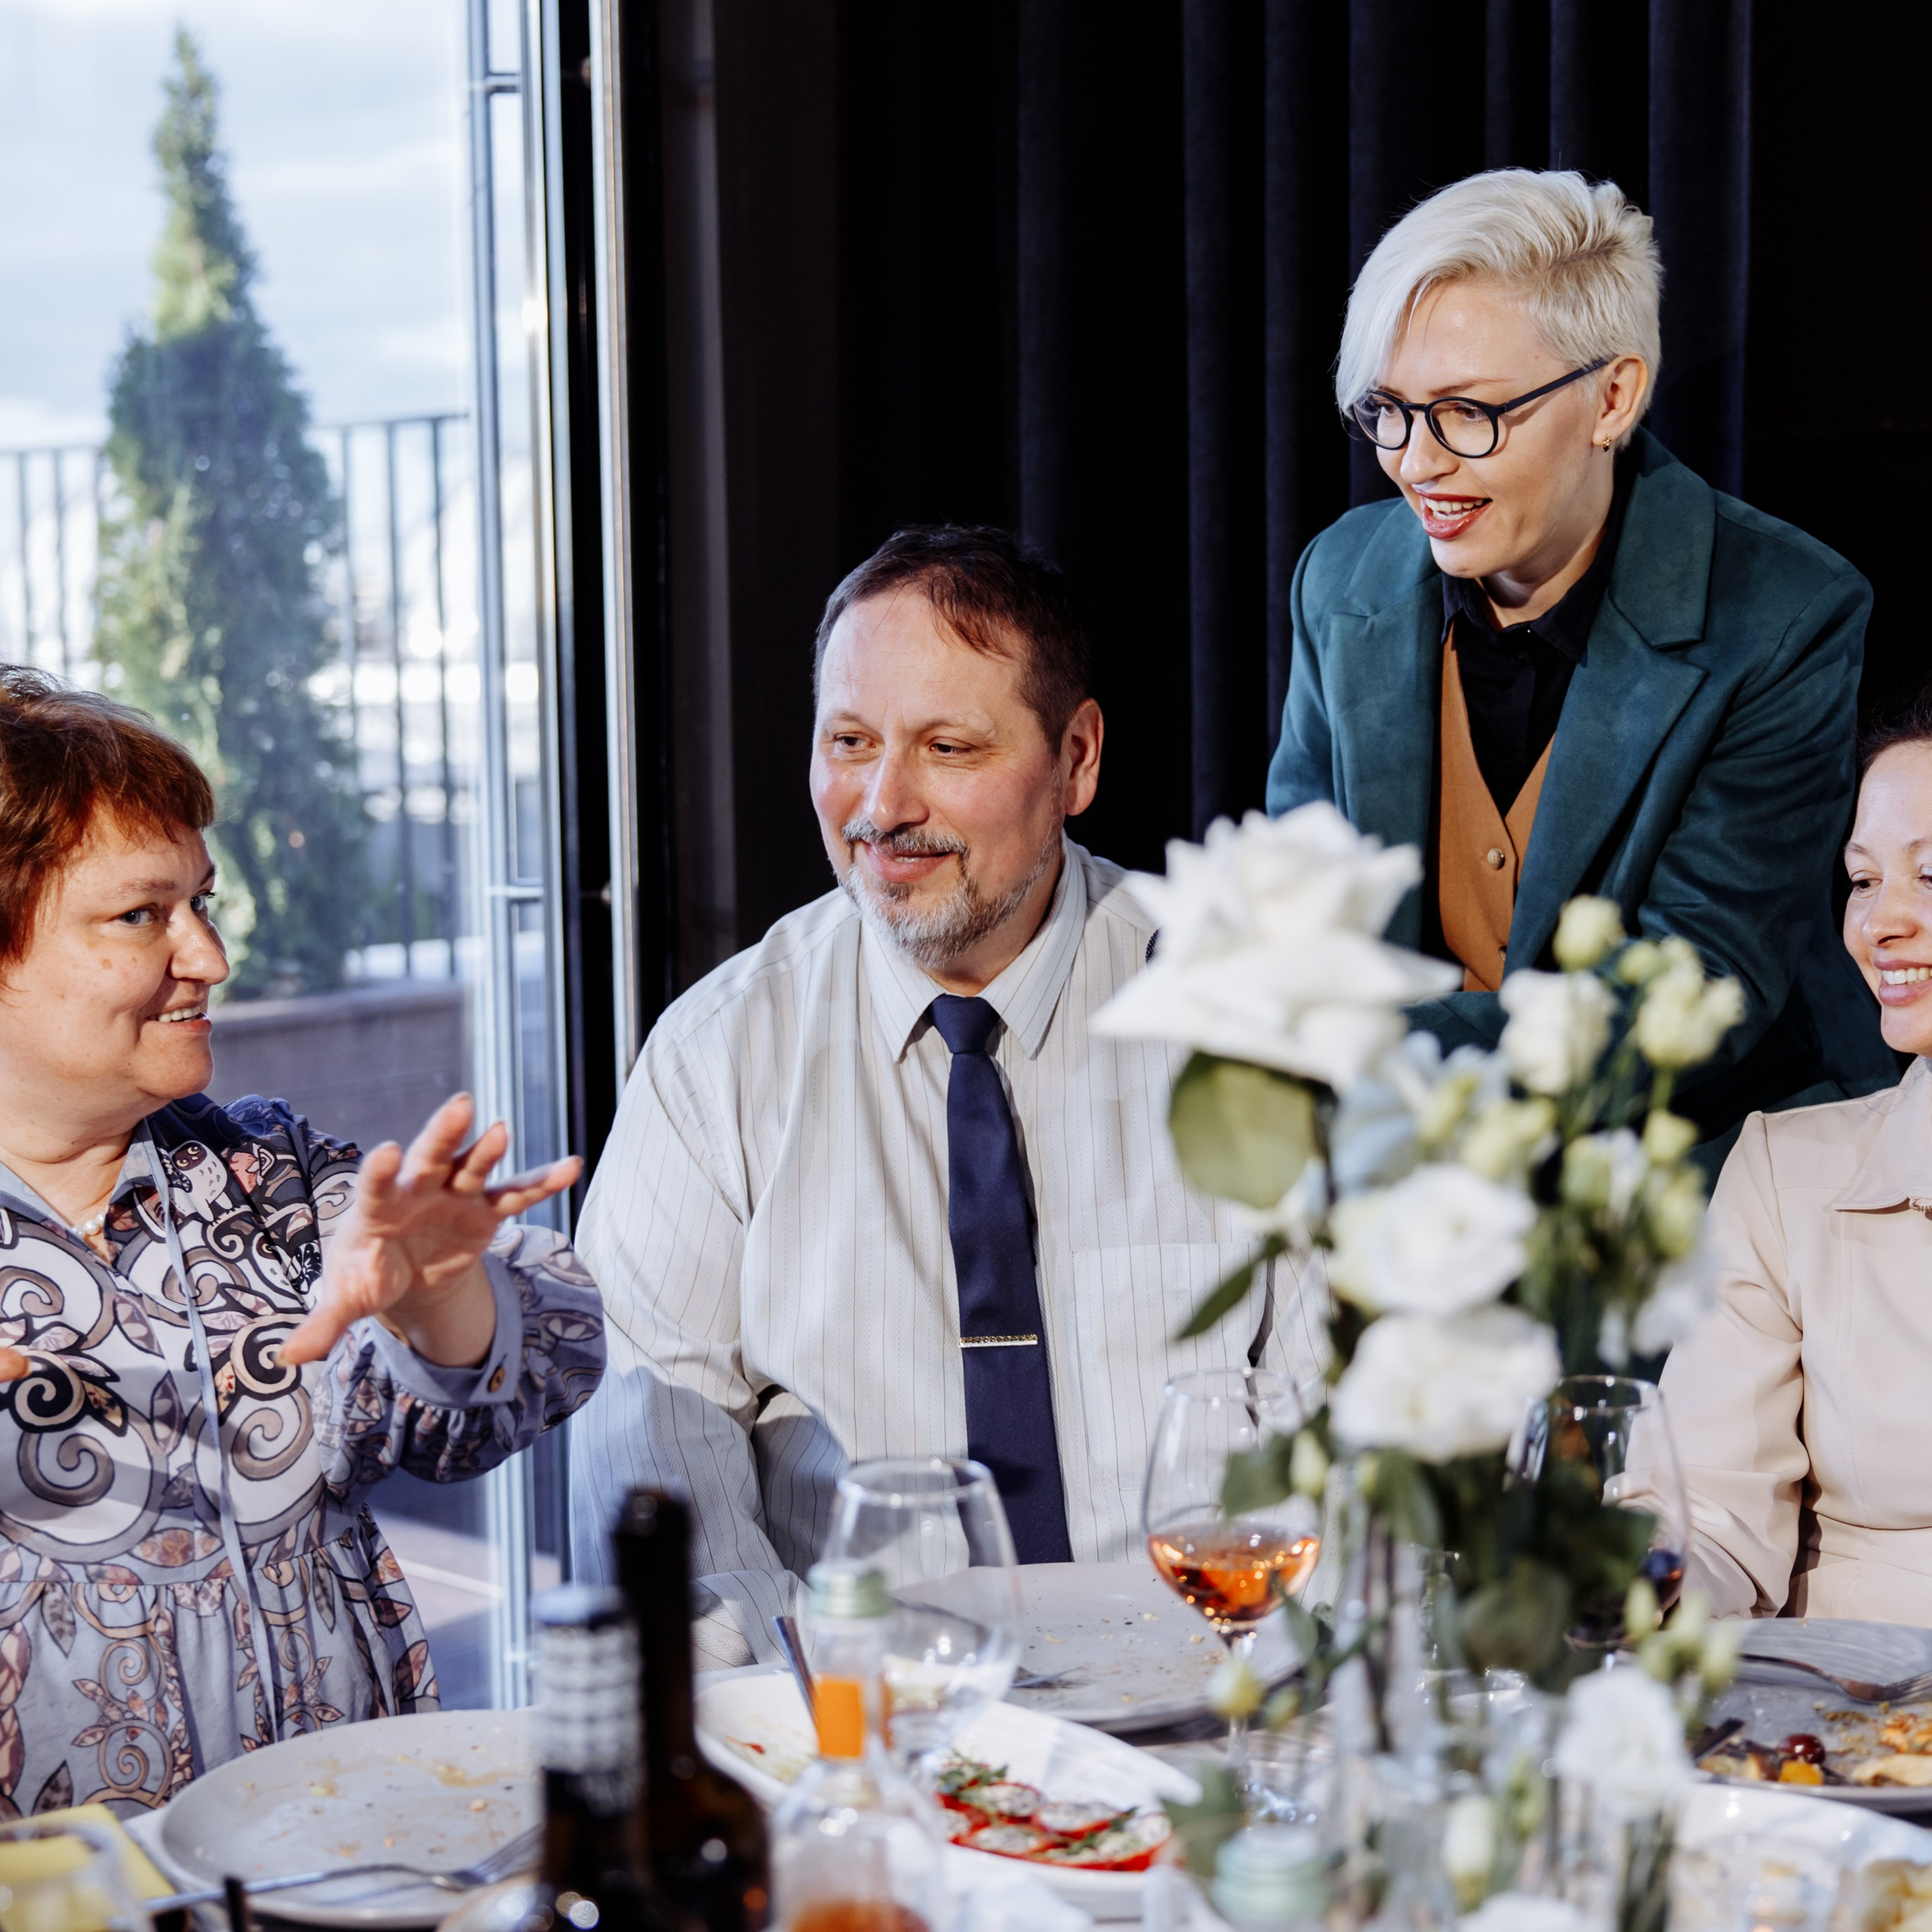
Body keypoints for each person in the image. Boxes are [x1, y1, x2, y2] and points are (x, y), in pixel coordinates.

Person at [569, 525, 1327, 1666]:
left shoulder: (1249, 1014)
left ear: (1076, 759)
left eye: (949, 748)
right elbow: (657, 1467)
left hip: (1219, 1698)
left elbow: (1351, 1432)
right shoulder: (717, 1057)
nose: (882, 803)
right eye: (850, 740)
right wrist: (805, 1720)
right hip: (864, 1728)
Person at [0, 669, 605, 1812]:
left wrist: (437, 1301)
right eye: (142, 915)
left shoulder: (268, 1175)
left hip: (344, 1852)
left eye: (202, 902)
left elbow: (531, 1369)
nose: (210, 957)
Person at [1266, 168, 1894, 1149]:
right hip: (1400, 1176)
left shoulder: (1785, 612)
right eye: (1388, 408)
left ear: (1612, 397)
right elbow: (1296, 882)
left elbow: (1697, 978)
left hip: (1700, 1174)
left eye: (1468, 413)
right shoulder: (1340, 575)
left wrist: (1360, 1058)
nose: (1417, 463)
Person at [1658, 691, 1932, 1621]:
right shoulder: (1785, 1174)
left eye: (1929, 877)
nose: (1881, 922)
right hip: (1844, 1734)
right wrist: (1629, 1592)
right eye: (1862, 881)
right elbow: (1702, 1515)